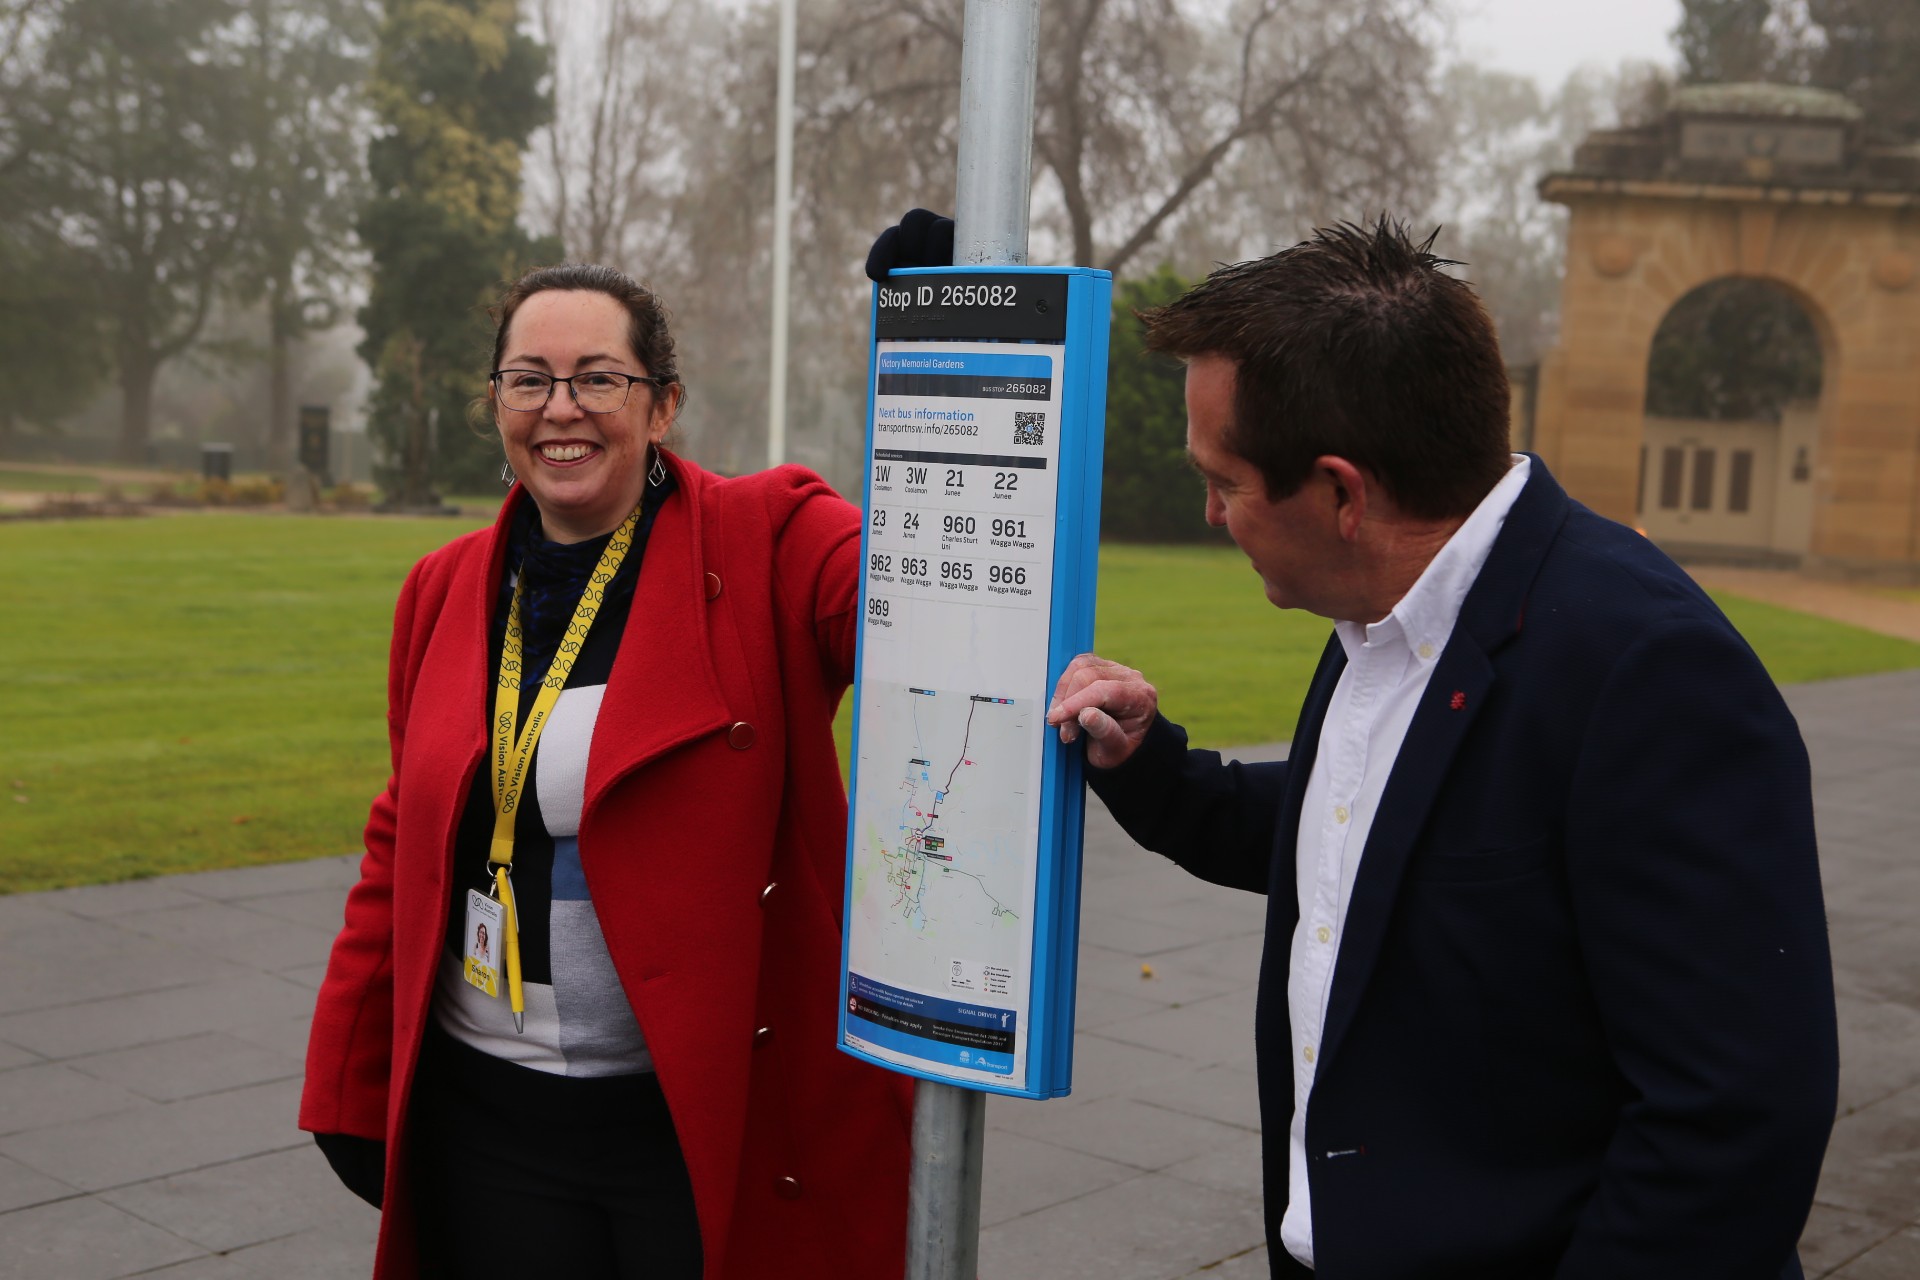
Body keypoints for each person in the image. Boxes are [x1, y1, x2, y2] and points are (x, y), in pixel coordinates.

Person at [1017, 220, 1838, 1276]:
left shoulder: (1650, 671)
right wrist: (1152, 766)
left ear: (1342, 494)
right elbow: (1375, 839)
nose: (1210, 512)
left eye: (1222, 481)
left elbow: (1736, 1117)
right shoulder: (1381, 615)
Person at [301, 263, 912, 1279]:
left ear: (662, 403)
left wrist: (937, 352)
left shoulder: (770, 538)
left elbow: (912, 594)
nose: (560, 409)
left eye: (598, 378)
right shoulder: (443, 588)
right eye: (528, 380)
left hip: (692, 1123)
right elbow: (402, 838)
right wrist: (347, 1072)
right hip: (488, 1118)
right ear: (495, 400)